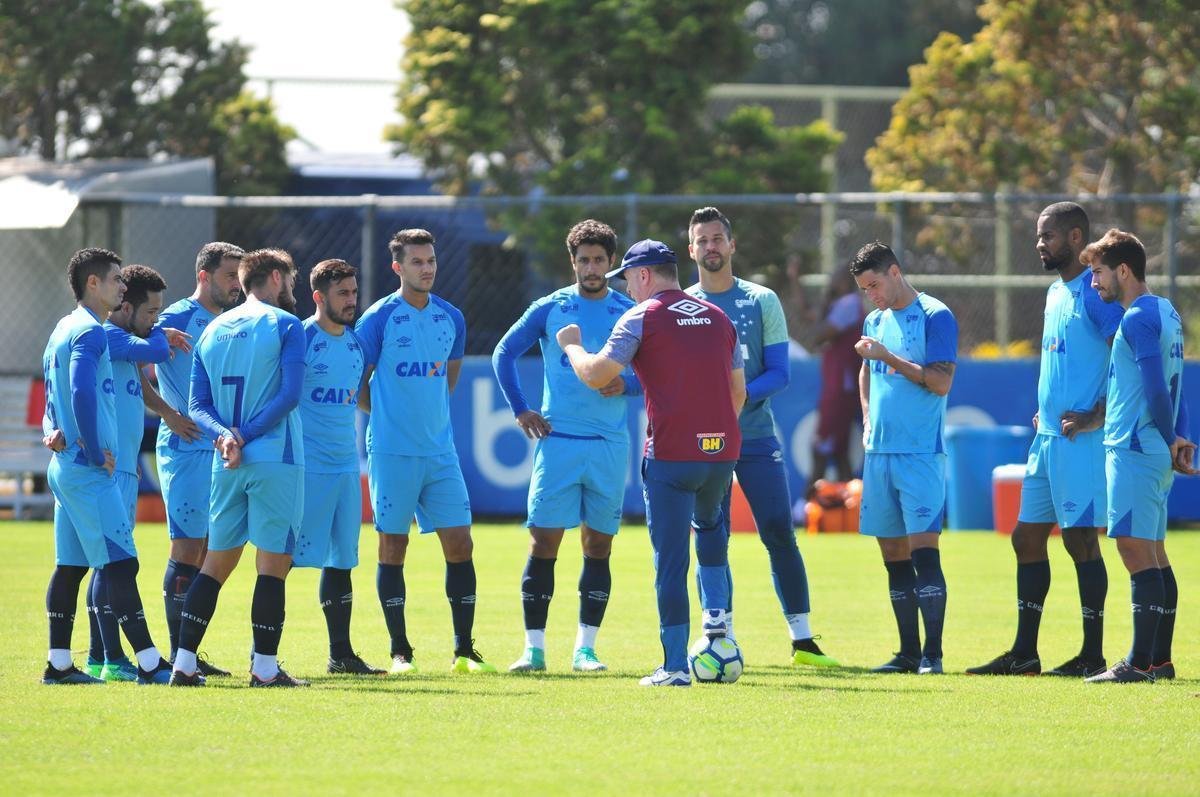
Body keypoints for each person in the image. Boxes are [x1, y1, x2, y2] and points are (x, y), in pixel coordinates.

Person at [557, 239, 746, 687]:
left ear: (644, 275)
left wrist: (572, 347)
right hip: (721, 454)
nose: (628, 288)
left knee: (670, 560)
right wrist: (713, 440)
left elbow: (596, 374)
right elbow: (738, 392)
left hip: (671, 457)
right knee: (712, 538)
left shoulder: (641, 316)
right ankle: (718, 637)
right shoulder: (719, 317)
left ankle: (675, 666)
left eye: (629, 279)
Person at [968, 202, 1122, 678]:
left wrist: (1098, 414)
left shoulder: (1095, 293)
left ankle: (1092, 654)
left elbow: (1126, 354)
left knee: (1080, 539)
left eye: (1048, 236)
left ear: (1076, 237)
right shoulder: (1056, 292)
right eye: (1038, 236)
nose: (1039, 244)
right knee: (1026, 537)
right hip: (1048, 438)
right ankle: (1025, 654)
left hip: (1080, 440)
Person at [684, 206, 837, 667]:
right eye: (702, 240)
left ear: (732, 245)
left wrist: (736, 397)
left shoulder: (761, 300)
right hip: (704, 443)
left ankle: (803, 641)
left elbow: (780, 373)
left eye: (717, 238)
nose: (711, 246)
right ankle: (720, 635)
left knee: (778, 531)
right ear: (691, 250)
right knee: (711, 534)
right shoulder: (682, 305)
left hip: (754, 436)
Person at [492, 219, 638, 673]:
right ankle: (533, 650)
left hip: (609, 444)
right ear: (572, 262)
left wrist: (629, 385)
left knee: (598, 545)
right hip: (558, 443)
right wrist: (521, 409)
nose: (591, 268)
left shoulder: (630, 310)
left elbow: (657, 369)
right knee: (544, 542)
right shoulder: (550, 307)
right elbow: (504, 353)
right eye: (583, 260)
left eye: (599, 260)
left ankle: (585, 650)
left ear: (611, 263)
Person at [356, 229, 494, 674]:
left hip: (440, 453)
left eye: (431, 260)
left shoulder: (451, 317)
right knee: (392, 546)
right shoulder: (378, 318)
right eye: (417, 262)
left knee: (461, 543)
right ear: (397, 267)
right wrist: (388, 415)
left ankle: (464, 651)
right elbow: (358, 384)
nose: (427, 268)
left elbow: (448, 381)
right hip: (392, 452)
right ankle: (400, 652)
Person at [169, 248, 308, 688]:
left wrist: (225, 436)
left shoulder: (212, 330)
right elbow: (289, 396)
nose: (292, 288)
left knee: (214, 564)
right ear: (274, 278)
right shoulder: (285, 324)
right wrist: (244, 435)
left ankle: (183, 664)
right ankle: (264, 668)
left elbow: (197, 405)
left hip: (225, 462)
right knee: (273, 564)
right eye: (290, 279)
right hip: (274, 458)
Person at [40, 248, 174, 685]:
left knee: (72, 567)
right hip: (88, 470)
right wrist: (96, 451)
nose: (122, 285)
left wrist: (55, 431)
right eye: (116, 279)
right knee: (121, 564)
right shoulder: (91, 331)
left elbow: (52, 394)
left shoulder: (61, 328)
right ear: (93, 283)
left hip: (65, 467)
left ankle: (60, 665)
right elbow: (80, 389)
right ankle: (149, 663)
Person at [1081, 229, 1194, 683]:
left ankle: (1138, 663)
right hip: (1151, 449)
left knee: (1133, 548)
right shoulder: (1166, 310)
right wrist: (1179, 437)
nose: (1094, 283)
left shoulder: (1137, 319)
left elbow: (1156, 388)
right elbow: (1176, 383)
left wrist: (1171, 439)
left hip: (1134, 447)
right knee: (1155, 552)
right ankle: (1159, 662)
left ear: (1123, 270)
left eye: (1098, 273)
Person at [852, 242, 958, 675]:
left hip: (919, 454)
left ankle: (933, 654)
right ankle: (908, 652)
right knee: (892, 554)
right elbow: (865, 371)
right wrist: (866, 415)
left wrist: (888, 356)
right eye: (864, 289)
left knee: (923, 552)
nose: (871, 296)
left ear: (895, 272)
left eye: (874, 285)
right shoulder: (874, 320)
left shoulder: (935, 315)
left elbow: (941, 382)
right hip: (879, 454)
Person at [82, 265, 188, 680]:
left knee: (108, 565)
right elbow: (157, 353)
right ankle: (113, 658)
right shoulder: (110, 336)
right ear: (126, 307)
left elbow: (140, 385)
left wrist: (168, 413)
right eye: (151, 313)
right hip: (110, 470)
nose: (155, 321)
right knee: (114, 565)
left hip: (123, 468)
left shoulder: (125, 346)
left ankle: (100, 656)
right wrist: (162, 335)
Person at [149, 241, 243, 677]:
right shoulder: (176, 317)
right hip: (185, 449)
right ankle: (177, 655)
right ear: (204, 276)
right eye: (229, 276)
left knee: (207, 549)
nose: (237, 284)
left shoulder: (230, 322)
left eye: (239, 276)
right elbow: (125, 356)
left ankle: (190, 652)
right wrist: (167, 412)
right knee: (187, 547)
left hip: (218, 449)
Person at [292, 259, 385, 675]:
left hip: (346, 467)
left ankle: (341, 655)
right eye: (342, 293)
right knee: (281, 560)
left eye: (353, 292)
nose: (351, 300)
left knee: (342, 559)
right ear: (318, 297)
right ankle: (263, 656)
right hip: (305, 468)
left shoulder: (356, 344)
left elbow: (361, 396)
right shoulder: (300, 338)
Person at [812, 268, 865, 482]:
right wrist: (793, 279)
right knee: (839, 451)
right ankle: (848, 500)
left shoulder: (849, 303)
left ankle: (807, 498)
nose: (831, 280)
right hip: (838, 385)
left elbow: (819, 334)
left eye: (834, 276)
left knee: (821, 446)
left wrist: (824, 303)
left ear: (844, 281)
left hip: (842, 387)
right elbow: (810, 317)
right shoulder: (841, 304)